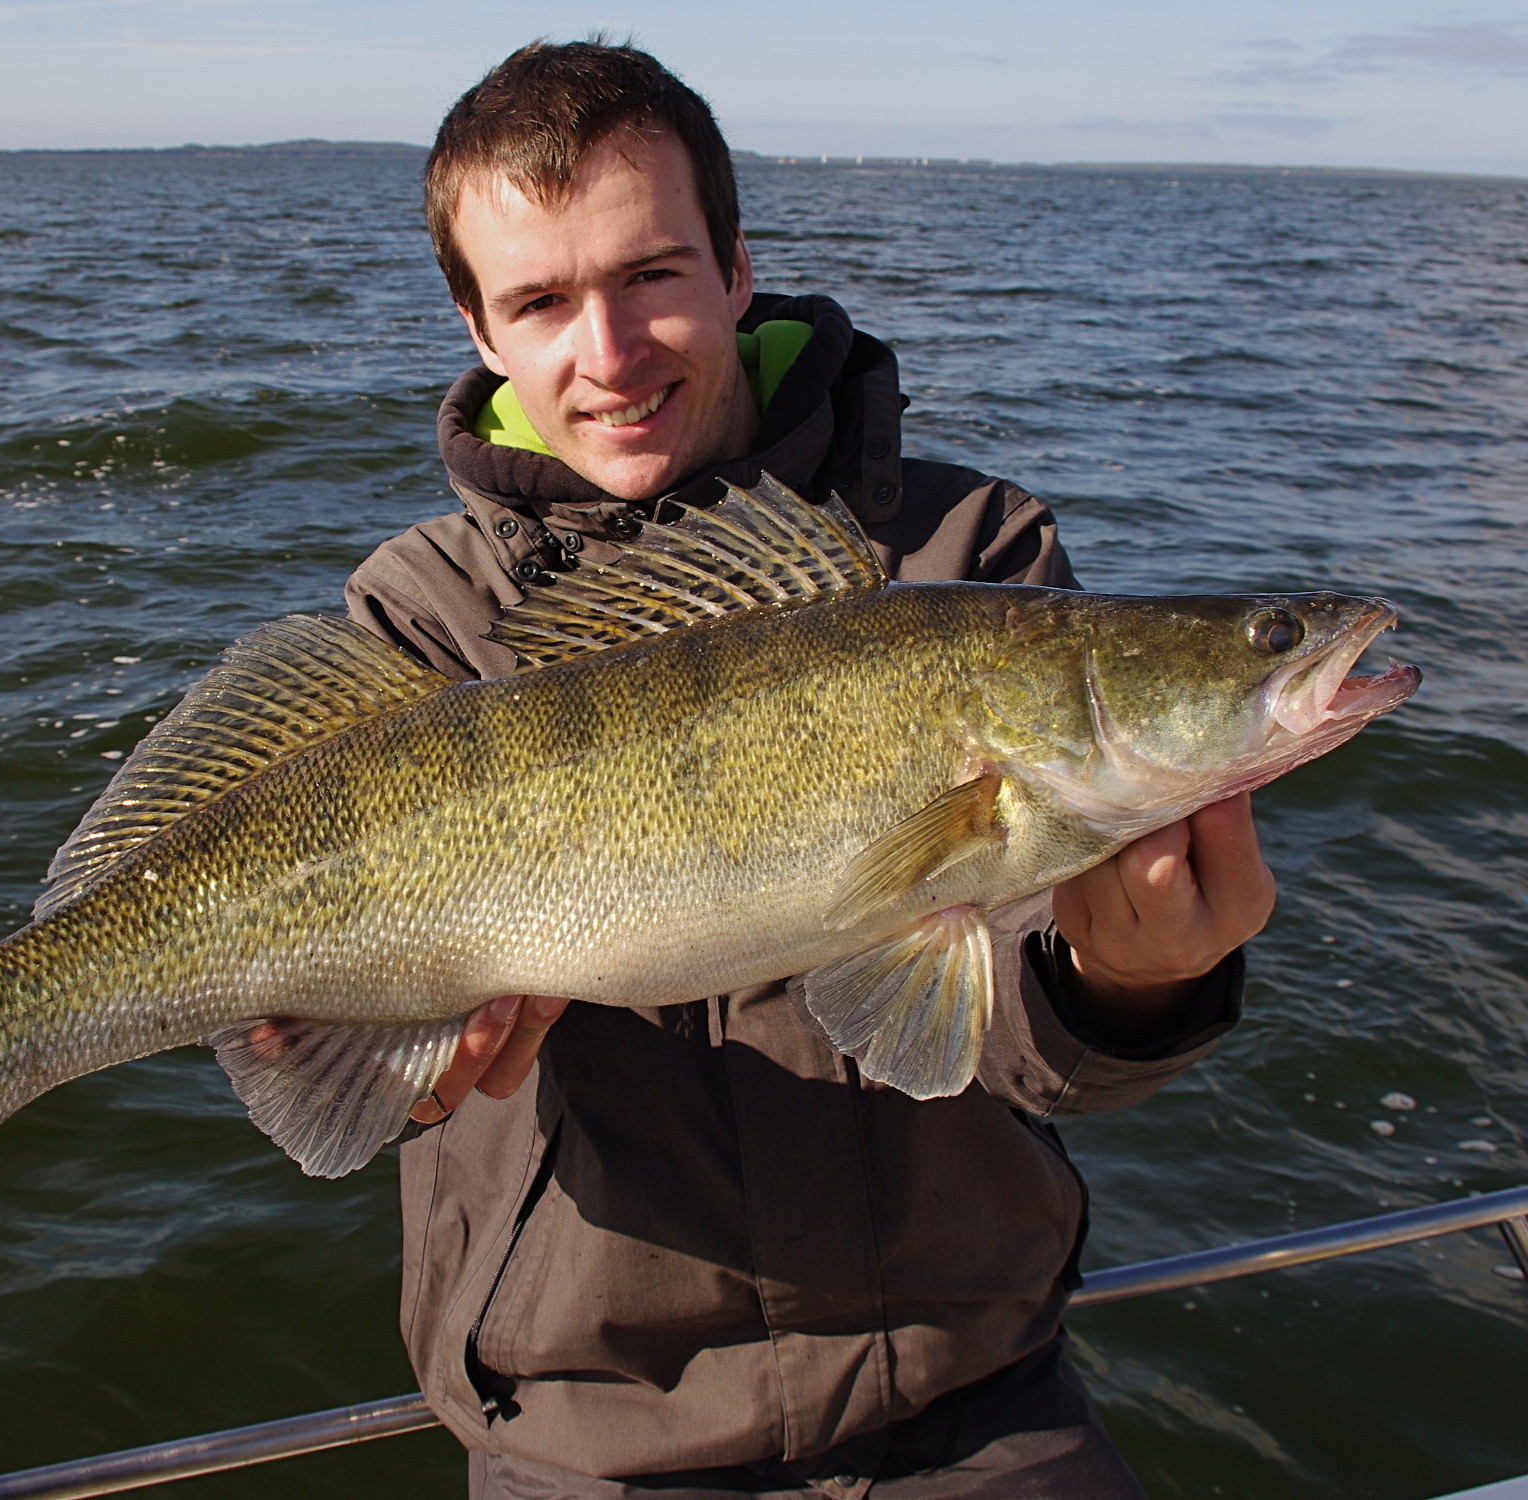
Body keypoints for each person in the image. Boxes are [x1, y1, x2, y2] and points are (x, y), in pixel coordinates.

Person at [343, 39, 1273, 1500]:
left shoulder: (973, 563)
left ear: (734, 267)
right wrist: (384, 1065)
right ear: (475, 326)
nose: (610, 350)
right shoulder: (419, 621)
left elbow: (1019, 1045)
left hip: (981, 1401)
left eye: (653, 274)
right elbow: (280, 1014)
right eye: (539, 300)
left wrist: (1136, 986)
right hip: (589, 1440)